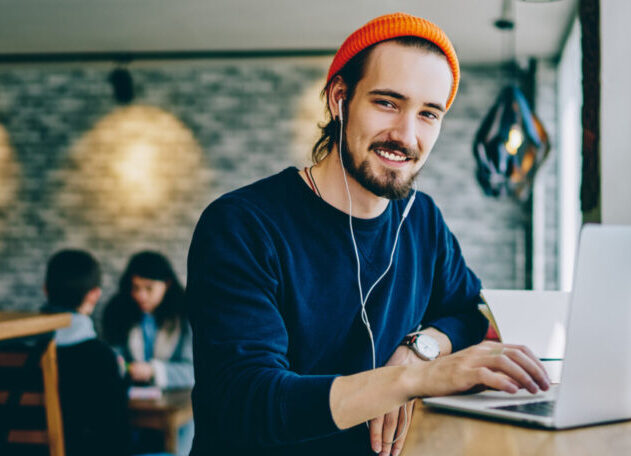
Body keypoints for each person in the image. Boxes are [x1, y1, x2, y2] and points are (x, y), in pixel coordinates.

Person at [186, 12, 550, 456]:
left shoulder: (422, 219)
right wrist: (410, 380)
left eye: (428, 114)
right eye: (387, 103)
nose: (406, 135)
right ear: (340, 98)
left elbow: (469, 312)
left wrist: (420, 350)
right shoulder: (242, 224)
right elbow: (248, 401)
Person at [41, 249, 130, 456]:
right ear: (94, 295)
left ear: (45, 290)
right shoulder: (101, 358)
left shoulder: (13, 350)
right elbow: (117, 439)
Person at [102, 251, 194, 390]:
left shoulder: (185, 316)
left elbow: (194, 371)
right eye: (135, 288)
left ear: (167, 284)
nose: (141, 296)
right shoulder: (118, 312)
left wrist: (153, 371)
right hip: (130, 400)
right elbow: (113, 358)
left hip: (176, 402)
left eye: (149, 288)